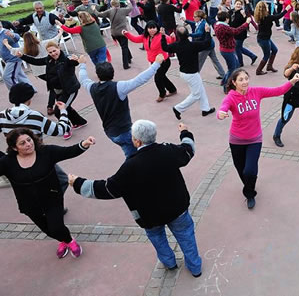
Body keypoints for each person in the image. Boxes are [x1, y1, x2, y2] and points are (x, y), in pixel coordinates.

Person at [68, 120, 203, 277]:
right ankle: (195, 268)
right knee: (186, 237)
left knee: (158, 239)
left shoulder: (130, 166)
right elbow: (188, 150)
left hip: (149, 216)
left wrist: (77, 183)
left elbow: (107, 189)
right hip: (177, 208)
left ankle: (169, 263)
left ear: (137, 141)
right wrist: (184, 132)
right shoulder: (168, 150)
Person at [0, 128, 95, 259]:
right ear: (14, 148)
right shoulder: (7, 162)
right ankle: (63, 240)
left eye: (29, 140)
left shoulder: (46, 152)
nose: (28, 144)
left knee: (56, 227)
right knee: (47, 230)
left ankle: (70, 241)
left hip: (52, 198)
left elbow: (69, 151)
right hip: (29, 205)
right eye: (22, 143)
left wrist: (84, 144)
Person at [218, 68, 299, 209]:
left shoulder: (256, 92)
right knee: (241, 170)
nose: (245, 82)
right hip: (236, 140)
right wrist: (221, 113)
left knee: (250, 171)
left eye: (246, 78)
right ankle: (249, 186)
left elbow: (278, 91)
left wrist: (292, 81)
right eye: (241, 80)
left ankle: (249, 194)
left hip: (254, 139)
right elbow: (223, 107)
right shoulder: (231, 97)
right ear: (234, 82)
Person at [78, 53, 164, 158]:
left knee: (133, 154)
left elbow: (83, 79)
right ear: (113, 73)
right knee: (138, 156)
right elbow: (140, 80)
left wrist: (82, 64)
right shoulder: (118, 87)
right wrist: (156, 64)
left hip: (110, 132)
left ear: (98, 75)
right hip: (124, 132)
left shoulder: (92, 88)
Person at [17, 42, 87, 140]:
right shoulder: (48, 59)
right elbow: (36, 61)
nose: (53, 54)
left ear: (59, 48)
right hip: (57, 90)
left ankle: (66, 129)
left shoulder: (66, 59)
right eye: (50, 52)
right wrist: (22, 56)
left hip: (69, 90)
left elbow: (74, 62)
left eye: (54, 51)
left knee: (58, 111)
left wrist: (78, 60)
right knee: (67, 107)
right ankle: (80, 122)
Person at [160, 25, 216, 119]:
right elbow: (207, 43)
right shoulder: (193, 45)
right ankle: (178, 108)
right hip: (192, 74)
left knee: (200, 89)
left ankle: (205, 109)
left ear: (178, 36)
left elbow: (165, 47)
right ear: (188, 35)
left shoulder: (176, 45)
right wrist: (207, 31)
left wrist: (162, 36)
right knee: (196, 94)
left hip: (184, 72)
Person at [124, 21, 177, 102]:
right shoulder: (145, 37)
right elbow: (135, 39)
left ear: (157, 28)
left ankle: (162, 94)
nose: (152, 30)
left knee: (158, 79)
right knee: (162, 76)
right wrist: (126, 33)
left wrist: (173, 37)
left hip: (163, 61)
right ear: (147, 29)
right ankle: (172, 89)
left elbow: (170, 41)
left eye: (154, 28)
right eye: (150, 28)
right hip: (154, 62)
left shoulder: (161, 35)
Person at [214, 11, 251, 88]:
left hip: (226, 49)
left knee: (235, 65)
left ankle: (224, 81)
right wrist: (246, 23)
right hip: (227, 50)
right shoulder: (223, 27)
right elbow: (236, 31)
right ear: (226, 19)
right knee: (232, 69)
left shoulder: (217, 25)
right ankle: (226, 86)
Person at [96, 0, 134, 69]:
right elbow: (130, 7)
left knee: (123, 45)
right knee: (124, 47)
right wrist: (129, 2)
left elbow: (99, 14)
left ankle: (129, 57)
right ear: (119, 4)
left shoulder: (109, 11)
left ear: (111, 4)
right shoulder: (123, 10)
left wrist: (94, 9)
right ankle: (125, 64)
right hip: (123, 32)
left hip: (114, 32)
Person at [253, 2, 287, 75]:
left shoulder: (259, 16)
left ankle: (269, 66)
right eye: (267, 7)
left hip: (264, 38)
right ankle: (258, 70)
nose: (268, 8)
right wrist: (286, 9)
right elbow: (278, 16)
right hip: (264, 40)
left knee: (274, 50)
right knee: (266, 55)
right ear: (265, 9)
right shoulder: (267, 17)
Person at [0, 24, 33, 89]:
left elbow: (17, 38)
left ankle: (16, 93)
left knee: (7, 76)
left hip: (13, 59)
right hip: (8, 59)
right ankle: (31, 89)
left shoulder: (5, 32)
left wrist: (12, 35)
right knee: (20, 77)